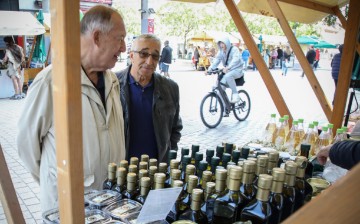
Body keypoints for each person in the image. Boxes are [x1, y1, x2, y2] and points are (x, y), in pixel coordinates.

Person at [16, 5, 126, 213]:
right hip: (68, 207)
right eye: (120, 38)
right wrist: (55, 182)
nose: (124, 48)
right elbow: (26, 145)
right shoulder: (51, 81)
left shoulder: (112, 80)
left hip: (109, 204)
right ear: (97, 37)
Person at [116, 34, 183, 163]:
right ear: (131, 56)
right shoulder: (113, 84)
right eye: (144, 54)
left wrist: (167, 156)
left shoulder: (170, 88)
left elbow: (175, 128)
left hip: (156, 171)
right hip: (122, 169)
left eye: (155, 56)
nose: (149, 61)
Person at [205, 35, 244, 103]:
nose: (221, 45)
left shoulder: (234, 49)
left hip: (237, 70)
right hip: (228, 71)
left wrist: (228, 67)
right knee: (220, 89)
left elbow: (236, 59)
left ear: (227, 43)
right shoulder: (221, 52)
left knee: (228, 76)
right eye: (220, 43)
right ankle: (225, 109)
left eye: (223, 43)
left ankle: (236, 94)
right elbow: (216, 61)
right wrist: (209, 70)